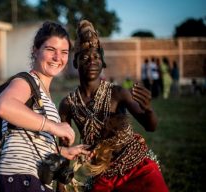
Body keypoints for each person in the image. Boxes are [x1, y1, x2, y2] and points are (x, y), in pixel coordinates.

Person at [59, 20, 168, 192]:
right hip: (103, 175)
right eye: (85, 57)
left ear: (103, 62)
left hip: (137, 167)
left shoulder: (118, 93)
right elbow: (64, 150)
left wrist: (148, 109)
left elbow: (150, 126)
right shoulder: (68, 104)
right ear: (75, 63)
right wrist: (60, 185)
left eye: (96, 57)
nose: (91, 61)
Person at [0, 21, 89, 192]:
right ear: (35, 50)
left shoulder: (44, 93)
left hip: (31, 179)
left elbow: (27, 137)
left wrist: (64, 152)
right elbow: (4, 106)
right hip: (19, 177)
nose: (57, 58)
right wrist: (55, 127)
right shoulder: (25, 82)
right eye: (50, 49)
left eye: (64, 52)